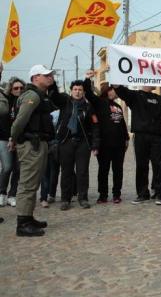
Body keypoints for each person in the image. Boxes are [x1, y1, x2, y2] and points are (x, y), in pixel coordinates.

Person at [10, 65, 56, 236]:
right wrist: (13, 138)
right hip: (31, 144)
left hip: (37, 143)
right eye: (46, 75)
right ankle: (22, 224)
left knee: (33, 183)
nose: (50, 77)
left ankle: (28, 217)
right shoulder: (32, 96)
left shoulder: (40, 95)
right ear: (35, 78)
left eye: (50, 74)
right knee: (27, 183)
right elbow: (20, 121)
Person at [113, 83, 161, 205]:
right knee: (141, 165)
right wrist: (115, 80)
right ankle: (143, 194)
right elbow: (121, 91)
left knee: (158, 165)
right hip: (140, 135)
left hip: (157, 136)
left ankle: (159, 194)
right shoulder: (135, 96)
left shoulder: (159, 99)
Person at [53, 80, 100, 210]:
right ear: (71, 91)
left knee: (82, 172)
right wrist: (52, 83)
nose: (77, 92)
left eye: (80, 90)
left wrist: (95, 145)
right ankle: (65, 199)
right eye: (75, 89)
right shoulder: (65, 103)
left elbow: (95, 126)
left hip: (83, 143)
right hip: (66, 142)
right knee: (66, 172)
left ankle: (83, 198)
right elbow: (54, 96)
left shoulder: (88, 106)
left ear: (83, 92)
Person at [84, 72, 129, 204]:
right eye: (114, 90)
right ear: (108, 91)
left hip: (119, 145)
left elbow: (122, 123)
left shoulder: (118, 106)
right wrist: (88, 78)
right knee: (103, 170)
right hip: (104, 145)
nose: (116, 92)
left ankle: (116, 194)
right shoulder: (99, 102)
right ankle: (103, 195)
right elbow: (88, 93)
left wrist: (126, 138)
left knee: (118, 170)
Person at [0, 76, 25, 208]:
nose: (19, 90)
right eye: (16, 88)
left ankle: (12, 195)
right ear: (11, 89)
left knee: (18, 169)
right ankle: (2, 193)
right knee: (7, 167)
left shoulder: (25, 101)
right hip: (4, 138)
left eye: (21, 88)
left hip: (21, 139)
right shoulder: (5, 100)